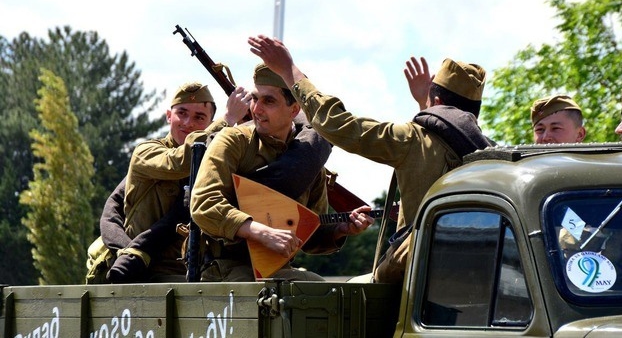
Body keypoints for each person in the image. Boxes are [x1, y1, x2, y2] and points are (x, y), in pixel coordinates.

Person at [247, 35, 494, 283]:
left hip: (415, 275)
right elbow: (444, 136)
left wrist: (289, 70)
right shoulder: (490, 156)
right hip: (472, 275)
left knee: (351, 292)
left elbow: (337, 125)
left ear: (437, 102)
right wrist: (424, 103)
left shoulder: (411, 139)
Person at [190, 63, 375, 282]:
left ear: (295, 110)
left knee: (321, 289)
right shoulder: (233, 141)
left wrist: (341, 228)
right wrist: (260, 232)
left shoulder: (307, 162)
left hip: (273, 267)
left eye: (269, 101)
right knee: (305, 289)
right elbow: (203, 204)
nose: (256, 109)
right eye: (255, 98)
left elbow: (308, 231)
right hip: (223, 267)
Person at [101, 82, 250, 283]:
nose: (188, 123)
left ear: (209, 122)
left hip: (195, 271)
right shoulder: (146, 152)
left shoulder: (217, 163)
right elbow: (182, 160)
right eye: (182, 113)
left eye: (199, 117)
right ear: (169, 116)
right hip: (146, 269)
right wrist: (228, 119)